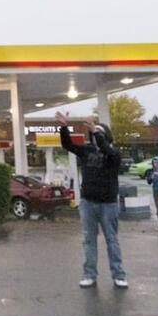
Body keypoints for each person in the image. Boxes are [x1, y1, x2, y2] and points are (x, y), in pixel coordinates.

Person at [56, 111, 126, 288]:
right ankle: (89, 274)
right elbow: (68, 145)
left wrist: (96, 131)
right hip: (88, 203)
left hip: (108, 204)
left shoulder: (113, 154)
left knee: (112, 239)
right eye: (94, 132)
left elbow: (106, 149)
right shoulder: (86, 151)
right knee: (89, 240)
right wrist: (64, 127)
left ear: (105, 136)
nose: (96, 135)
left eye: (99, 133)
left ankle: (118, 274)